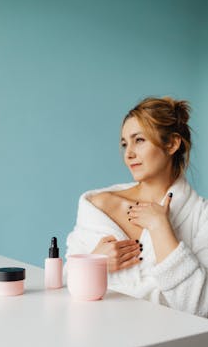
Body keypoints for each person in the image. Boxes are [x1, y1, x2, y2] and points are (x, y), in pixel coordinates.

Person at [64, 96, 208, 318]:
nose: (128, 153)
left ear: (172, 143)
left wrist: (161, 228)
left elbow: (199, 307)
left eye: (139, 140)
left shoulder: (201, 216)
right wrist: (94, 264)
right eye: (124, 144)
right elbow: (66, 281)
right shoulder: (99, 206)